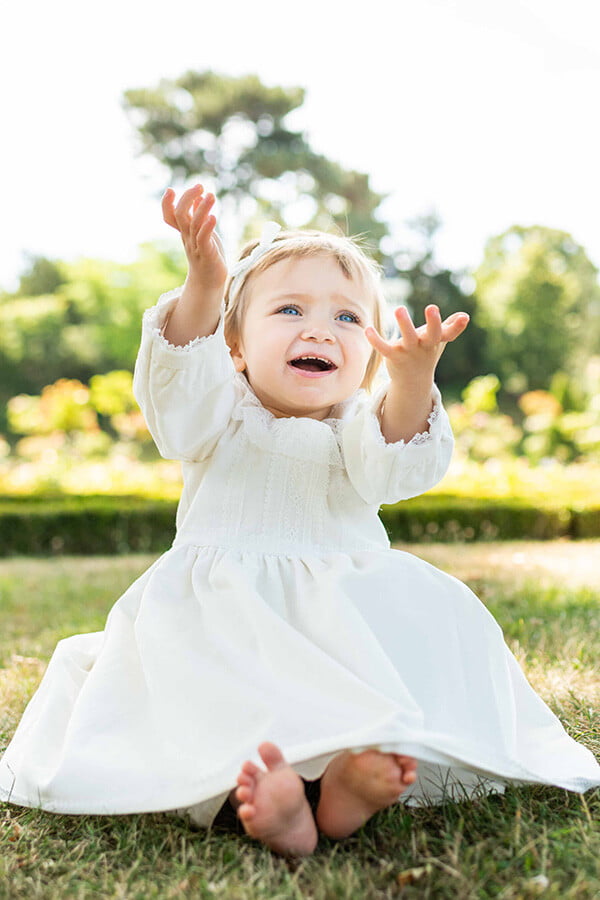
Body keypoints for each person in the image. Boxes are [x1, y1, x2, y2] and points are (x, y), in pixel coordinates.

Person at [1, 185, 598, 858]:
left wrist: (411, 380)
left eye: (348, 319)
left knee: (364, 689)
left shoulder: (358, 426)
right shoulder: (216, 414)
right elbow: (175, 399)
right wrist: (206, 281)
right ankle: (270, 801)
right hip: (219, 620)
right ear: (233, 345)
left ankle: (344, 792)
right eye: (289, 309)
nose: (319, 330)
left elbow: (396, 469)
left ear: (370, 354)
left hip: (338, 621)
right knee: (205, 710)